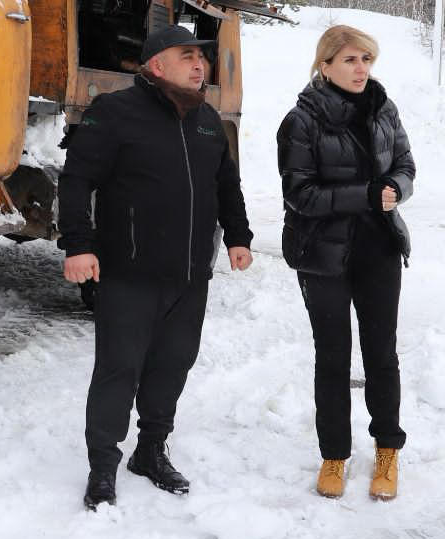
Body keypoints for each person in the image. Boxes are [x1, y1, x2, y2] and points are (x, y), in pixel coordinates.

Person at [58, 25, 254, 510]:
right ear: (156, 64)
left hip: (189, 276)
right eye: (187, 56)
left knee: (172, 365)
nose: (199, 65)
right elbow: (77, 180)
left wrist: (239, 236)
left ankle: (150, 450)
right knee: (118, 370)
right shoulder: (115, 112)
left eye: (202, 58)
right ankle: (103, 466)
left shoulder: (207, 120)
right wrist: (78, 245)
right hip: (129, 274)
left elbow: (226, 185)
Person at [277, 25, 415, 501]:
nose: (361, 69)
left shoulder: (384, 109)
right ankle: (334, 455)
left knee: (382, 354)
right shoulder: (301, 121)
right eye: (351, 60)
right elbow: (300, 194)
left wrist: (396, 188)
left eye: (366, 60)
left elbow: (406, 166)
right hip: (322, 254)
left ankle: (388, 449)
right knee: (333, 355)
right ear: (326, 65)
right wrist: (367, 195)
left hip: (379, 250)